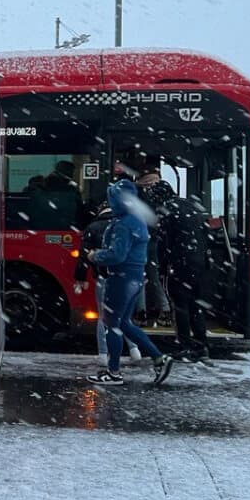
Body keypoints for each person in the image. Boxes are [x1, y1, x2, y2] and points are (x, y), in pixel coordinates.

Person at [85, 179, 174, 386]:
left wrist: (95, 255)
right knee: (124, 323)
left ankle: (114, 372)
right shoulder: (136, 219)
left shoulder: (124, 223)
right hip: (134, 278)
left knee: (111, 324)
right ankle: (158, 357)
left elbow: (117, 255)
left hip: (121, 278)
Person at [74, 202, 143, 368]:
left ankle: (103, 355)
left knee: (103, 317)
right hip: (125, 278)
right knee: (124, 316)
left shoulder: (93, 227)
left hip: (104, 277)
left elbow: (84, 256)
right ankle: (134, 350)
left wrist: (80, 278)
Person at [160, 195, 214, 363]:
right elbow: (207, 240)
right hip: (199, 266)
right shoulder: (196, 213)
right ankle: (201, 346)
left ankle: (185, 346)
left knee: (181, 306)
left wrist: (163, 267)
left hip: (180, 265)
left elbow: (165, 243)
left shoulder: (169, 213)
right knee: (196, 306)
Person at [135, 158, 176, 324]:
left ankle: (141, 312)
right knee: (154, 275)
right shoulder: (166, 189)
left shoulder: (139, 191)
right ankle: (165, 309)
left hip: (140, 238)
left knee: (138, 274)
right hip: (160, 239)